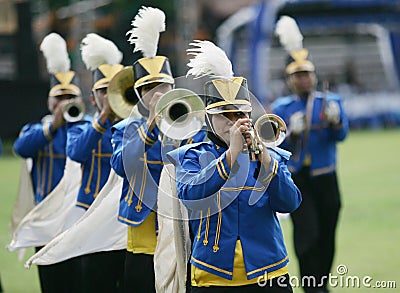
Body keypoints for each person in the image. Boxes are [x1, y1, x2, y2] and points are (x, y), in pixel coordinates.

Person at [167, 40, 302, 293]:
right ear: (209, 118)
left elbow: (290, 202)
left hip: (268, 271)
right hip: (213, 275)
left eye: (240, 114)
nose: (234, 122)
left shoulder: (270, 155)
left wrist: (264, 157)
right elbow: (190, 195)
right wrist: (232, 154)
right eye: (224, 115)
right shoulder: (192, 155)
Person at [111, 7, 205, 292]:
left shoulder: (189, 121)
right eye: (149, 87)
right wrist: (150, 127)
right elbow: (120, 164)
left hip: (181, 223)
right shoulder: (125, 129)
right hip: (143, 228)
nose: (157, 93)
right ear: (139, 94)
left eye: (162, 85)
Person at [272, 16, 349, 293]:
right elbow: (275, 145)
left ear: (314, 75)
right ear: (289, 78)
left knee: (327, 233)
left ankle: (322, 284)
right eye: (298, 74)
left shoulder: (332, 102)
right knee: (307, 235)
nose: (304, 79)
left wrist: (335, 121)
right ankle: (311, 287)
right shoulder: (282, 107)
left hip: (325, 176)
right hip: (298, 179)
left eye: (307, 73)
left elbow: (341, 136)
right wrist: (291, 132)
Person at [13, 32, 82, 293]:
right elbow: (22, 148)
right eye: (59, 98)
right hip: (47, 218)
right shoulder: (39, 128)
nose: (64, 104)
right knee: (52, 283)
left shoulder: (85, 127)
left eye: (69, 98)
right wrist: (53, 125)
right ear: (49, 101)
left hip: (76, 217)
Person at [66, 33, 126, 292]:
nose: (110, 94)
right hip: (92, 214)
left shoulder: (135, 127)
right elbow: (77, 153)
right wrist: (103, 118)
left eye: (115, 89)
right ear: (92, 98)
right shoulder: (81, 127)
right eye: (103, 90)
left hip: (126, 219)